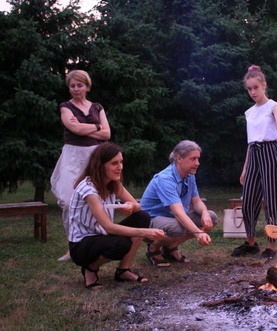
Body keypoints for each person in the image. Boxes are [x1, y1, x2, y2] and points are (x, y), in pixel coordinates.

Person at [68, 142, 166, 289]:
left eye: (121, 162)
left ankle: (123, 271)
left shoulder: (113, 183)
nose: (120, 167)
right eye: (114, 163)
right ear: (100, 165)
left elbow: (137, 206)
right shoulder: (88, 189)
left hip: (102, 235)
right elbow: (109, 227)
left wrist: (130, 206)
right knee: (121, 244)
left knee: (142, 217)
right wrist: (147, 232)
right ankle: (90, 268)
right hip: (81, 245)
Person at [231, 65, 277, 259]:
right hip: (254, 154)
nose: (253, 92)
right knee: (248, 201)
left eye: (256, 87)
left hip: (270, 152)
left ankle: (272, 246)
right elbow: (251, 142)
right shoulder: (249, 112)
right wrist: (245, 168)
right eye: (249, 89)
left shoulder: (274, 106)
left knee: (271, 200)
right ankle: (251, 243)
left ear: (264, 85)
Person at [51, 70, 111, 261]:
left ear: (87, 86)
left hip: (95, 157)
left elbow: (107, 135)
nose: (76, 89)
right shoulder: (65, 107)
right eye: (72, 85)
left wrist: (86, 129)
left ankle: (100, 239)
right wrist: (96, 127)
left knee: (100, 198)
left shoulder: (97, 107)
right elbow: (74, 128)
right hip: (73, 157)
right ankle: (73, 246)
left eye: (80, 85)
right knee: (69, 201)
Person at [140, 140, 218, 268]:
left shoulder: (189, 175)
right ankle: (153, 248)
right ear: (179, 158)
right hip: (151, 220)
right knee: (178, 227)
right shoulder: (165, 179)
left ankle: (171, 246)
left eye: (198, 159)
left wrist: (204, 213)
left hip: (172, 219)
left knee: (212, 217)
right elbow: (178, 213)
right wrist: (199, 233)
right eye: (193, 159)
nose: (197, 163)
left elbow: (197, 201)